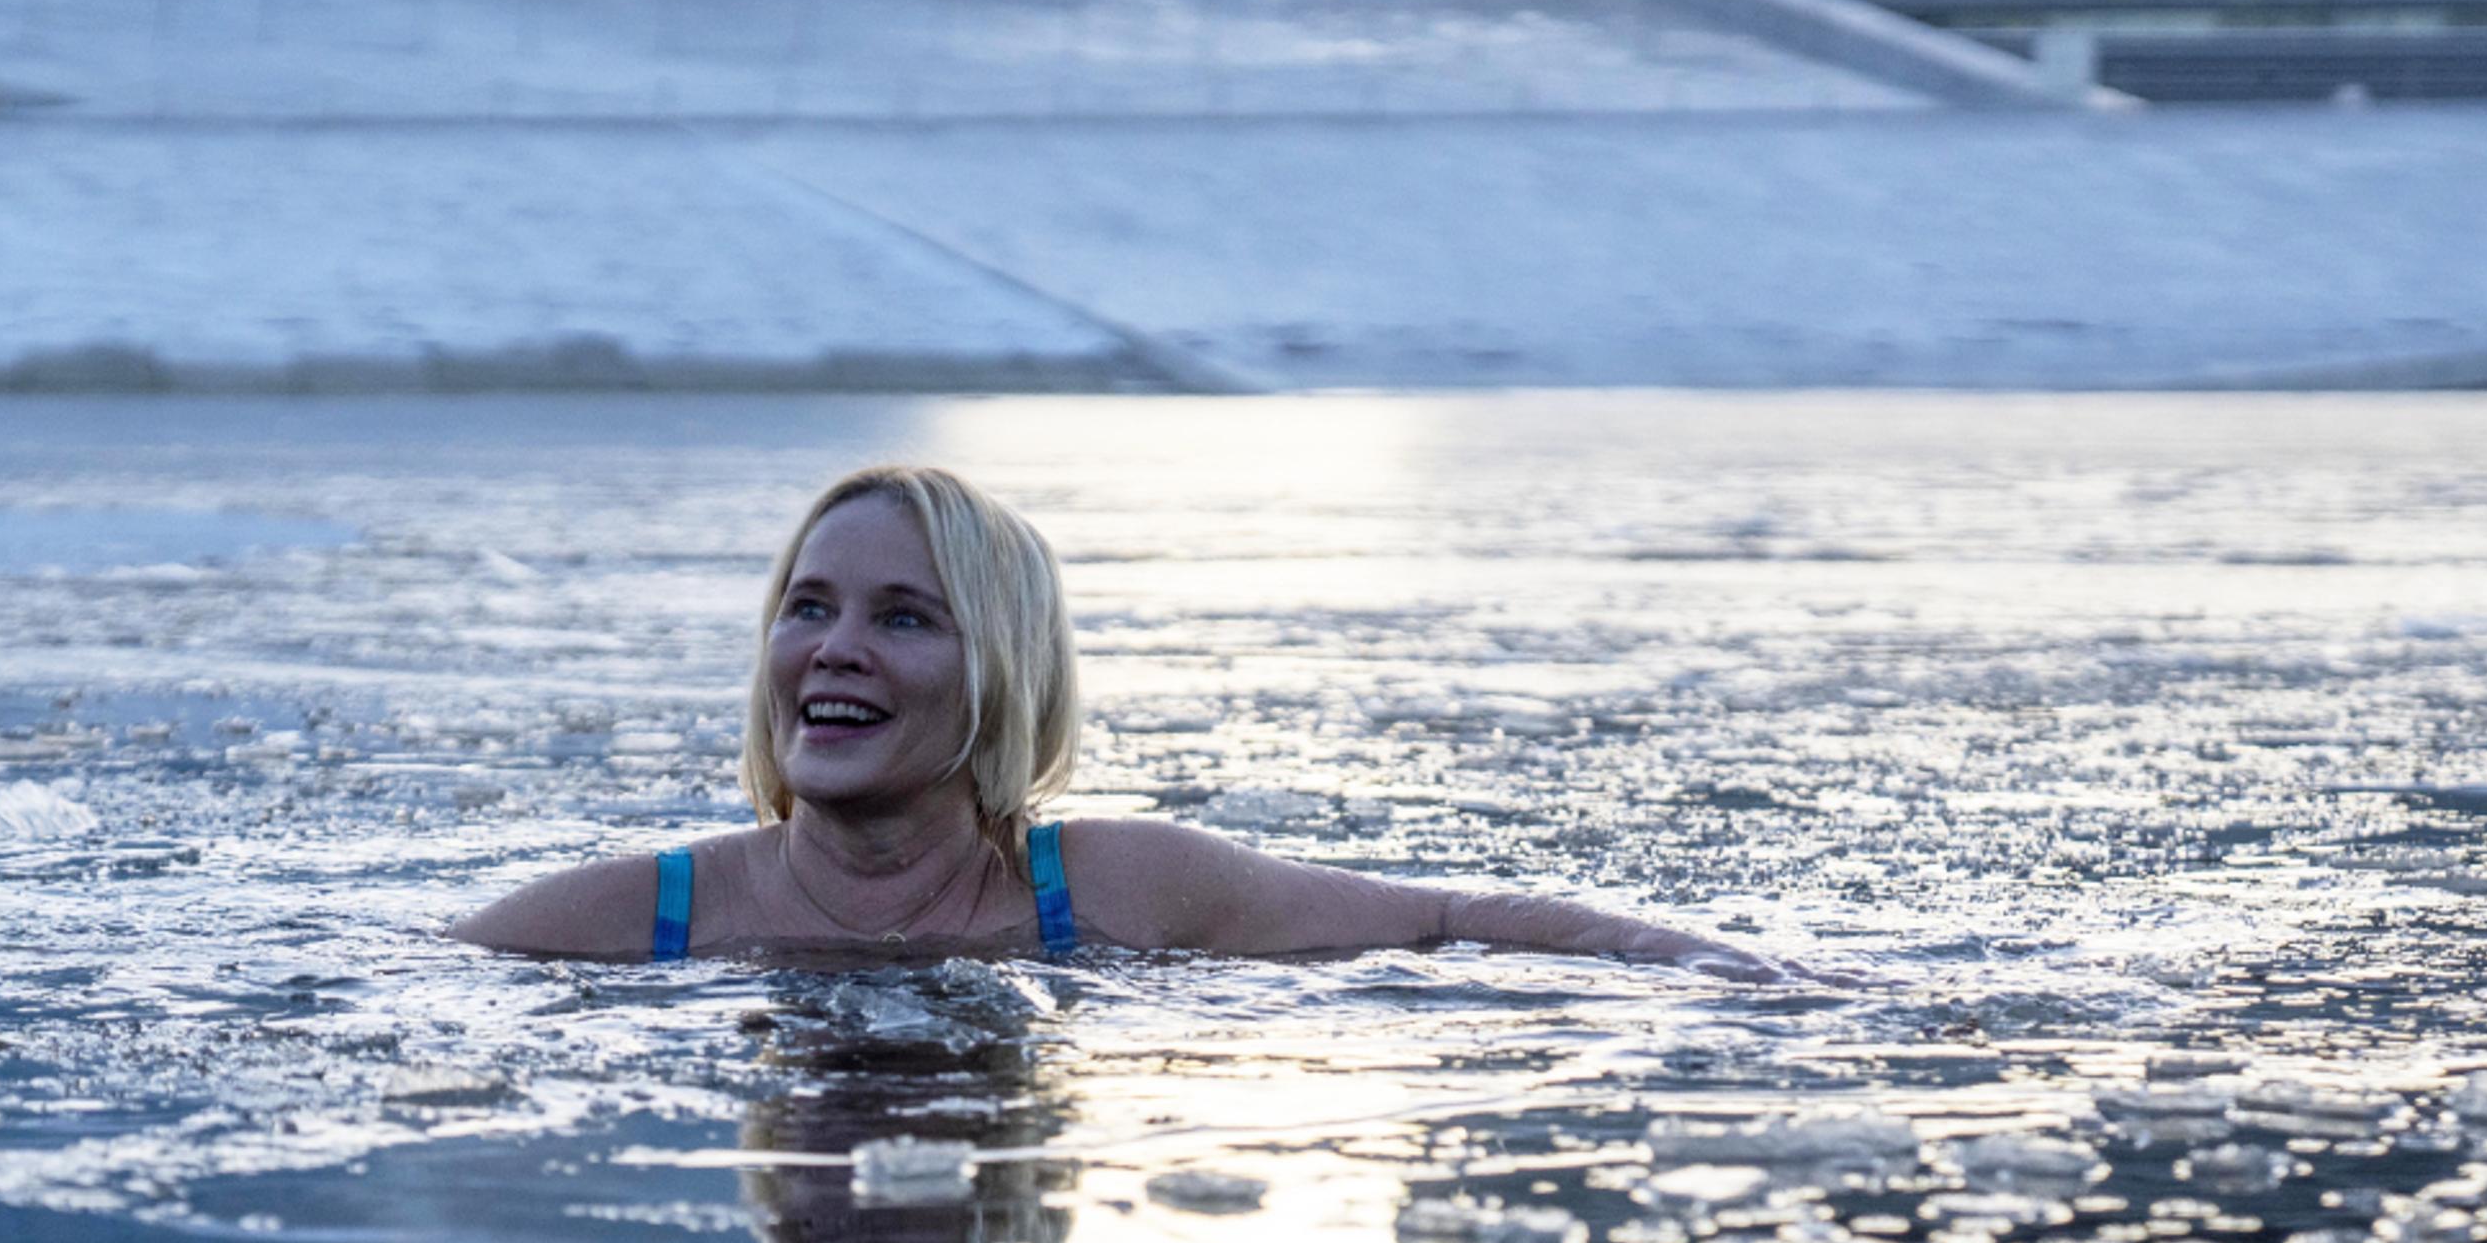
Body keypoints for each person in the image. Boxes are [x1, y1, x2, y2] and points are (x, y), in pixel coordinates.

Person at [450, 462, 1802, 977]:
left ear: (1009, 672)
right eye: (807, 607)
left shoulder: (1110, 886)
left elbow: (1443, 919)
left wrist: (1739, 971)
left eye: (905, 617)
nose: (835, 650)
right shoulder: (647, 915)